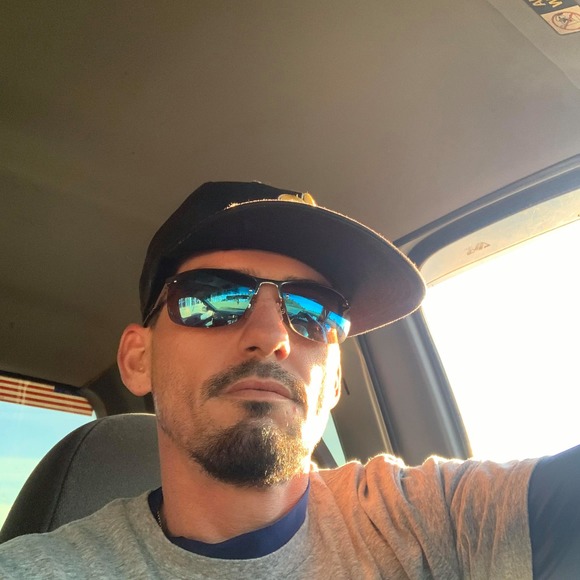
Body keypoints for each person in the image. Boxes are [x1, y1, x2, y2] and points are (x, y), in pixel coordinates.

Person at [0, 181, 578, 578]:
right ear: (138, 358)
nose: (272, 336)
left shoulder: (429, 522)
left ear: (333, 382)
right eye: (214, 298)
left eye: (313, 312)